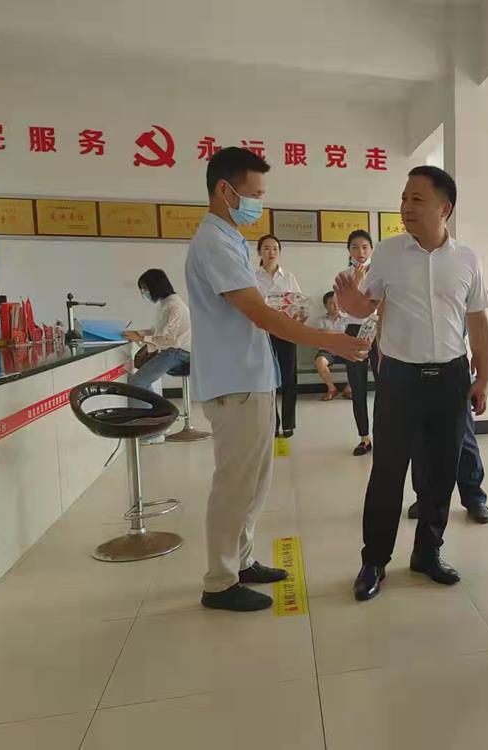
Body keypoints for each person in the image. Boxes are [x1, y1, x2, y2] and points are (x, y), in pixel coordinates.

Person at [186, 147, 368, 613]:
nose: (258, 204)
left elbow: (257, 311)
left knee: (254, 481)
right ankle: (220, 580)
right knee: (235, 483)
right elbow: (258, 313)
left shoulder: (231, 239)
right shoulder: (214, 242)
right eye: (254, 194)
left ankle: (242, 560)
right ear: (225, 190)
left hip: (252, 376)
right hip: (234, 380)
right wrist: (331, 341)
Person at [335, 165, 488, 602]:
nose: (406, 207)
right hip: (400, 378)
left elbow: (478, 319)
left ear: (445, 208)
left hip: (451, 377)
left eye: (417, 199)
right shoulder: (387, 253)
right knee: (387, 472)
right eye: (404, 198)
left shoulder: (467, 259)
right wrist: (350, 303)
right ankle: (374, 561)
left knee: (440, 473)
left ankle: (428, 553)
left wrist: (484, 376)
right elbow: (365, 306)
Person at [124, 269, 192, 444]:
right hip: (174, 350)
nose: (143, 292)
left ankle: (151, 433)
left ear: (155, 286)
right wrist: (138, 333)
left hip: (179, 352)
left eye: (144, 288)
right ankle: (159, 424)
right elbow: (157, 331)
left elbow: (168, 339)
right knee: (142, 382)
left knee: (137, 383)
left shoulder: (173, 306)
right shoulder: (166, 304)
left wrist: (140, 337)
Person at [336, 230, 382, 457]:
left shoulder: (381, 272)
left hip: (379, 331)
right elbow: (342, 310)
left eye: (365, 247)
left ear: (372, 249)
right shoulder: (343, 276)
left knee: (385, 386)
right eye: (355, 247)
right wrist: (356, 282)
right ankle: (364, 438)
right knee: (358, 387)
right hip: (354, 332)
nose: (360, 252)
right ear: (348, 250)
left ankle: (384, 436)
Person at [406, 404, 488, 524]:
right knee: (423, 442)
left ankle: (473, 497)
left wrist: (482, 390)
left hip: (457, 393)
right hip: (419, 394)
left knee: (464, 438)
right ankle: (425, 499)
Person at [255, 234, 302, 438]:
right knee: (267, 380)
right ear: (259, 252)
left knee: (289, 378)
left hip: (286, 331)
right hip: (262, 333)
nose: (271, 252)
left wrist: (297, 312)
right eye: (266, 248)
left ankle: (288, 424)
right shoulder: (252, 278)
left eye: (275, 248)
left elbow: (298, 302)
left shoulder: (288, 277)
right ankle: (272, 423)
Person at [314, 292, 352, 400]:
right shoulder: (320, 320)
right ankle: (332, 389)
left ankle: (349, 389)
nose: (335, 305)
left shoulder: (347, 320)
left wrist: (329, 334)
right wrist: (341, 335)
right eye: (331, 303)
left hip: (344, 351)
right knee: (320, 362)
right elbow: (321, 334)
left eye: (337, 303)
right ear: (325, 305)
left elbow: (349, 336)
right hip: (327, 352)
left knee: (357, 361)